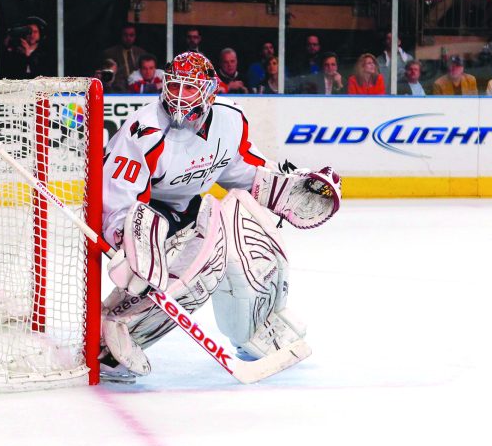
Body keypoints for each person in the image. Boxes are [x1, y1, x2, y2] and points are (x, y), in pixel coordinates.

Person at [99, 51, 341, 383]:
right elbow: (116, 195)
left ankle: (253, 328)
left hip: (185, 208)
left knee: (244, 218)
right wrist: (124, 241)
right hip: (143, 216)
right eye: (175, 86)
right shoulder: (145, 131)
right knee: (193, 274)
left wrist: (286, 189)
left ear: (210, 92)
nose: (179, 96)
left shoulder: (229, 122)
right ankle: (110, 344)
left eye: (190, 88)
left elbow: (242, 172)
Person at [102, 24, 148, 94]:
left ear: (135, 36)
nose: (128, 38)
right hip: (117, 91)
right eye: (125, 35)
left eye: (131, 35)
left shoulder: (141, 53)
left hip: (138, 91)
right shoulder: (110, 53)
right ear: (121, 36)